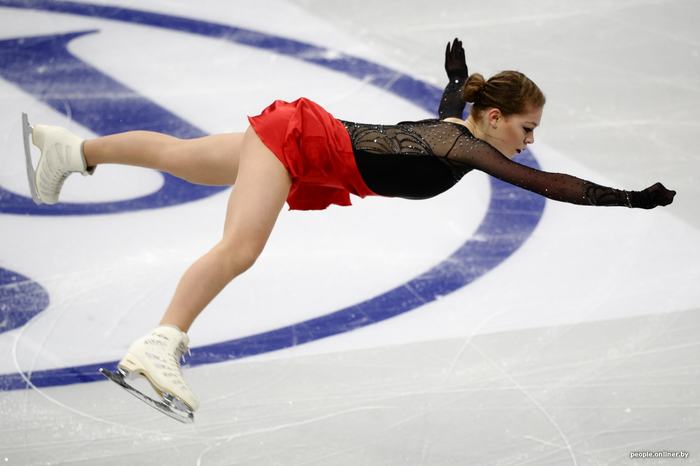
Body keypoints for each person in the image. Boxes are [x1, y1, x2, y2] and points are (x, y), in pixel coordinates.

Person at [23, 38, 675, 414]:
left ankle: (70, 151)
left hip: (305, 140)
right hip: (302, 145)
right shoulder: (465, 147)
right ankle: (160, 343)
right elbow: (546, 184)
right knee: (240, 249)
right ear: (497, 119)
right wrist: (630, 198)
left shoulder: (457, 126)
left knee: (182, 158)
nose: (529, 142)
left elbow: (453, 103)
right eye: (527, 129)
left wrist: (456, 80)